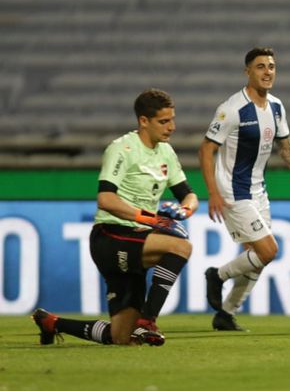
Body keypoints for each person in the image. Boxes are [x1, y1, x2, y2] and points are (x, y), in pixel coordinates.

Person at [32, 88, 198, 346]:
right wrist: (149, 218)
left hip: (137, 239)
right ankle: (148, 321)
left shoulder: (166, 152)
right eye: (164, 121)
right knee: (180, 246)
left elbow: (189, 194)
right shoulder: (122, 149)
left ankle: (51, 322)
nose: (172, 127)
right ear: (144, 121)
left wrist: (184, 210)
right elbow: (106, 199)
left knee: (122, 337)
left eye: (172, 119)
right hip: (112, 236)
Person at [201, 46, 290, 331]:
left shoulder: (276, 107)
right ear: (247, 71)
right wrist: (212, 192)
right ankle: (217, 275)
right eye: (260, 66)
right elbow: (206, 149)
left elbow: (286, 150)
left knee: (256, 259)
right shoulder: (231, 108)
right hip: (233, 191)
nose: (267, 71)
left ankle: (226, 313)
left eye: (271, 66)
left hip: (258, 191)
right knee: (268, 250)